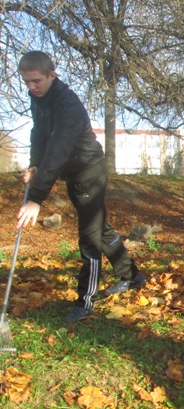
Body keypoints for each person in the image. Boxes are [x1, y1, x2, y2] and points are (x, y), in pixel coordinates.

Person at [15, 51, 145, 324]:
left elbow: (59, 149)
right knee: (100, 228)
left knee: (89, 236)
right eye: (26, 82)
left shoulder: (68, 106)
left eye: (36, 81)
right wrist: (35, 164)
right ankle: (132, 276)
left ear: (52, 75)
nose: (31, 87)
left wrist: (36, 197)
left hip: (89, 171)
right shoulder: (39, 98)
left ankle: (85, 301)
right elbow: (39, 133)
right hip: (73, 172)